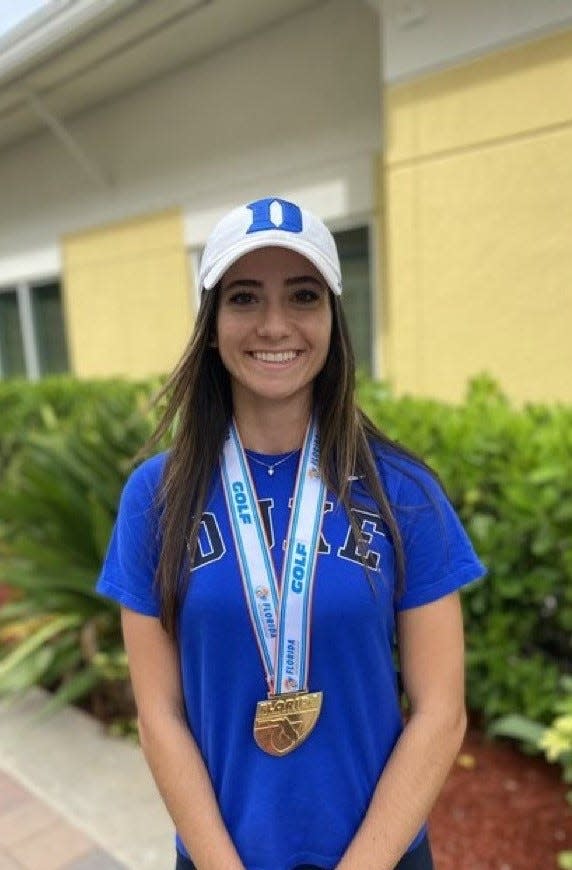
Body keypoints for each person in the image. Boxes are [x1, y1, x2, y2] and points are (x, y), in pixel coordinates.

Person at [96, 196, 485, 870]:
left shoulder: (405, 493)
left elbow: (441, 711)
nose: (275, 325)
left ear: (334, 318)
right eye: (244, 298)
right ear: (212, 324)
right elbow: (159, 716)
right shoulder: (153, 498)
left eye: (303, 296)